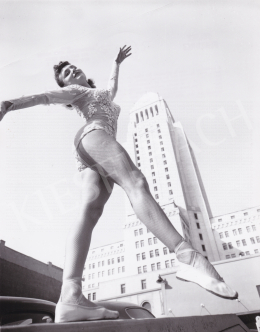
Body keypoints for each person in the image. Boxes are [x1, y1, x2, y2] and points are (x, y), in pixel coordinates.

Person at [0, 45, 238, 323]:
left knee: (90, 211)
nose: (72, 70)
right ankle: (187, 256)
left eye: (73, 67)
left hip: (86, 150)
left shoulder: (99, 93)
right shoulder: (79, 93)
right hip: (94, 135)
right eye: (66, 73)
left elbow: (112, 87)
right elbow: (43, 97)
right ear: (66, 84)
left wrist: (116, 63)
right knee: (135, 182)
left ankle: (70, 295)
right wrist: (9, 104)